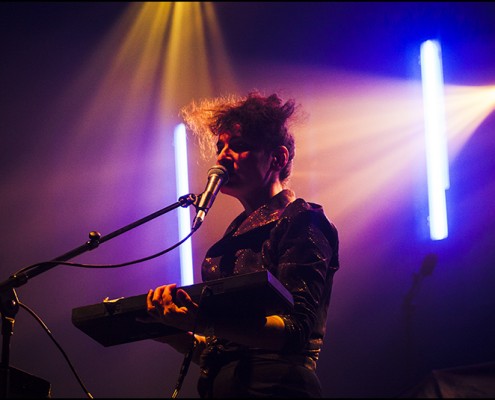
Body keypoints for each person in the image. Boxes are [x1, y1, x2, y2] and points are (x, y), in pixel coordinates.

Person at [146, 91, 340, 398]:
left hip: (278, 388)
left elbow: (296, 331)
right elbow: (225, 348)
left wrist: (204, 319)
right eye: (220, 147)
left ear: (277, 158)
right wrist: (174, 333)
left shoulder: (302, 219)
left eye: (238, 146)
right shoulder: (234, 235)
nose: (222, 155)